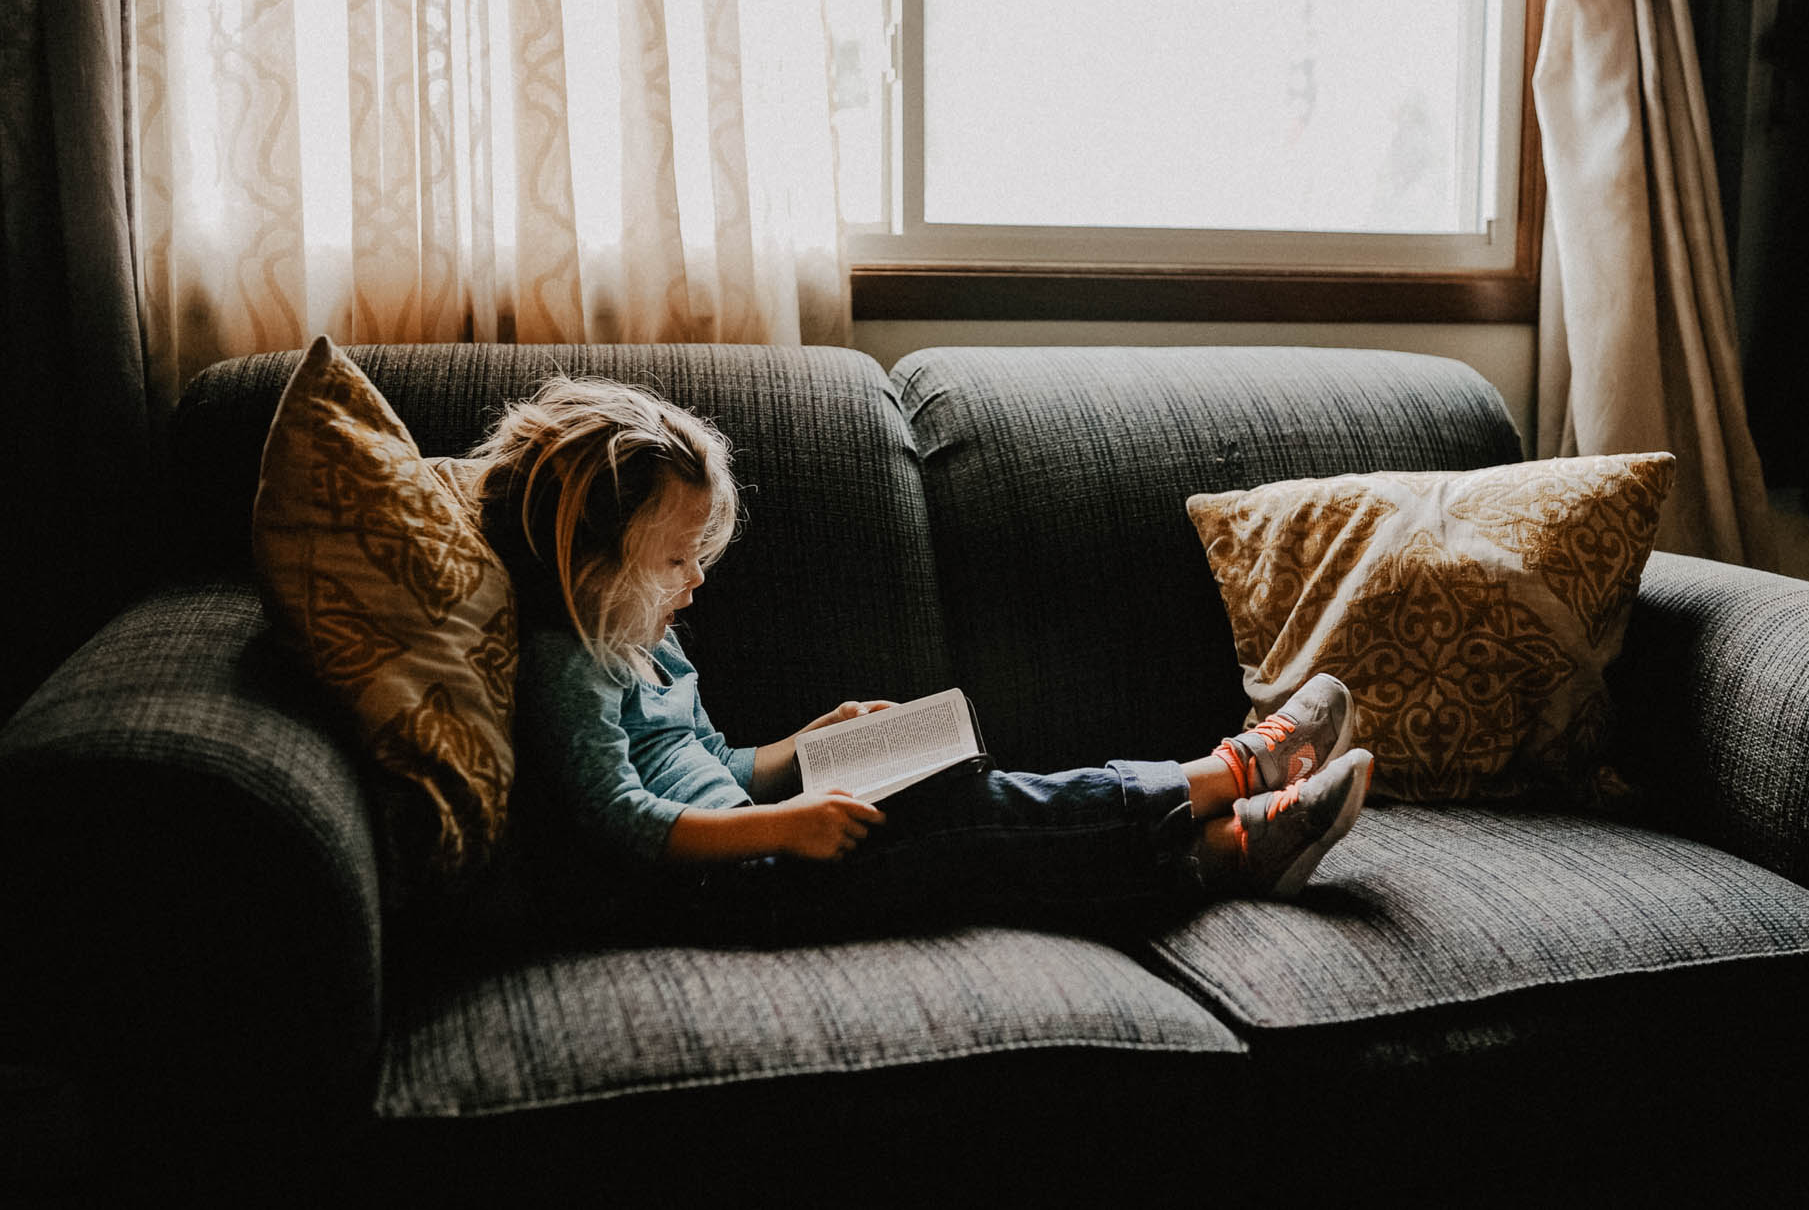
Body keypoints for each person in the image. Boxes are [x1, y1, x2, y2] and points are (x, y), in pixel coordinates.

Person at [470, 375, 1373, 940]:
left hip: (752, 851)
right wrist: (786, 825)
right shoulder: (568, 664)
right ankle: (1231, 773)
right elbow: (622, 818)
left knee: (966, 810)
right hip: (727, 892)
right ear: (589, 558)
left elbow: (714, 767)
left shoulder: (644, 640)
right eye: (672, 561)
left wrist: (802, 746)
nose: (695, 582)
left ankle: (1229, 850)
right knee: (963, 817)